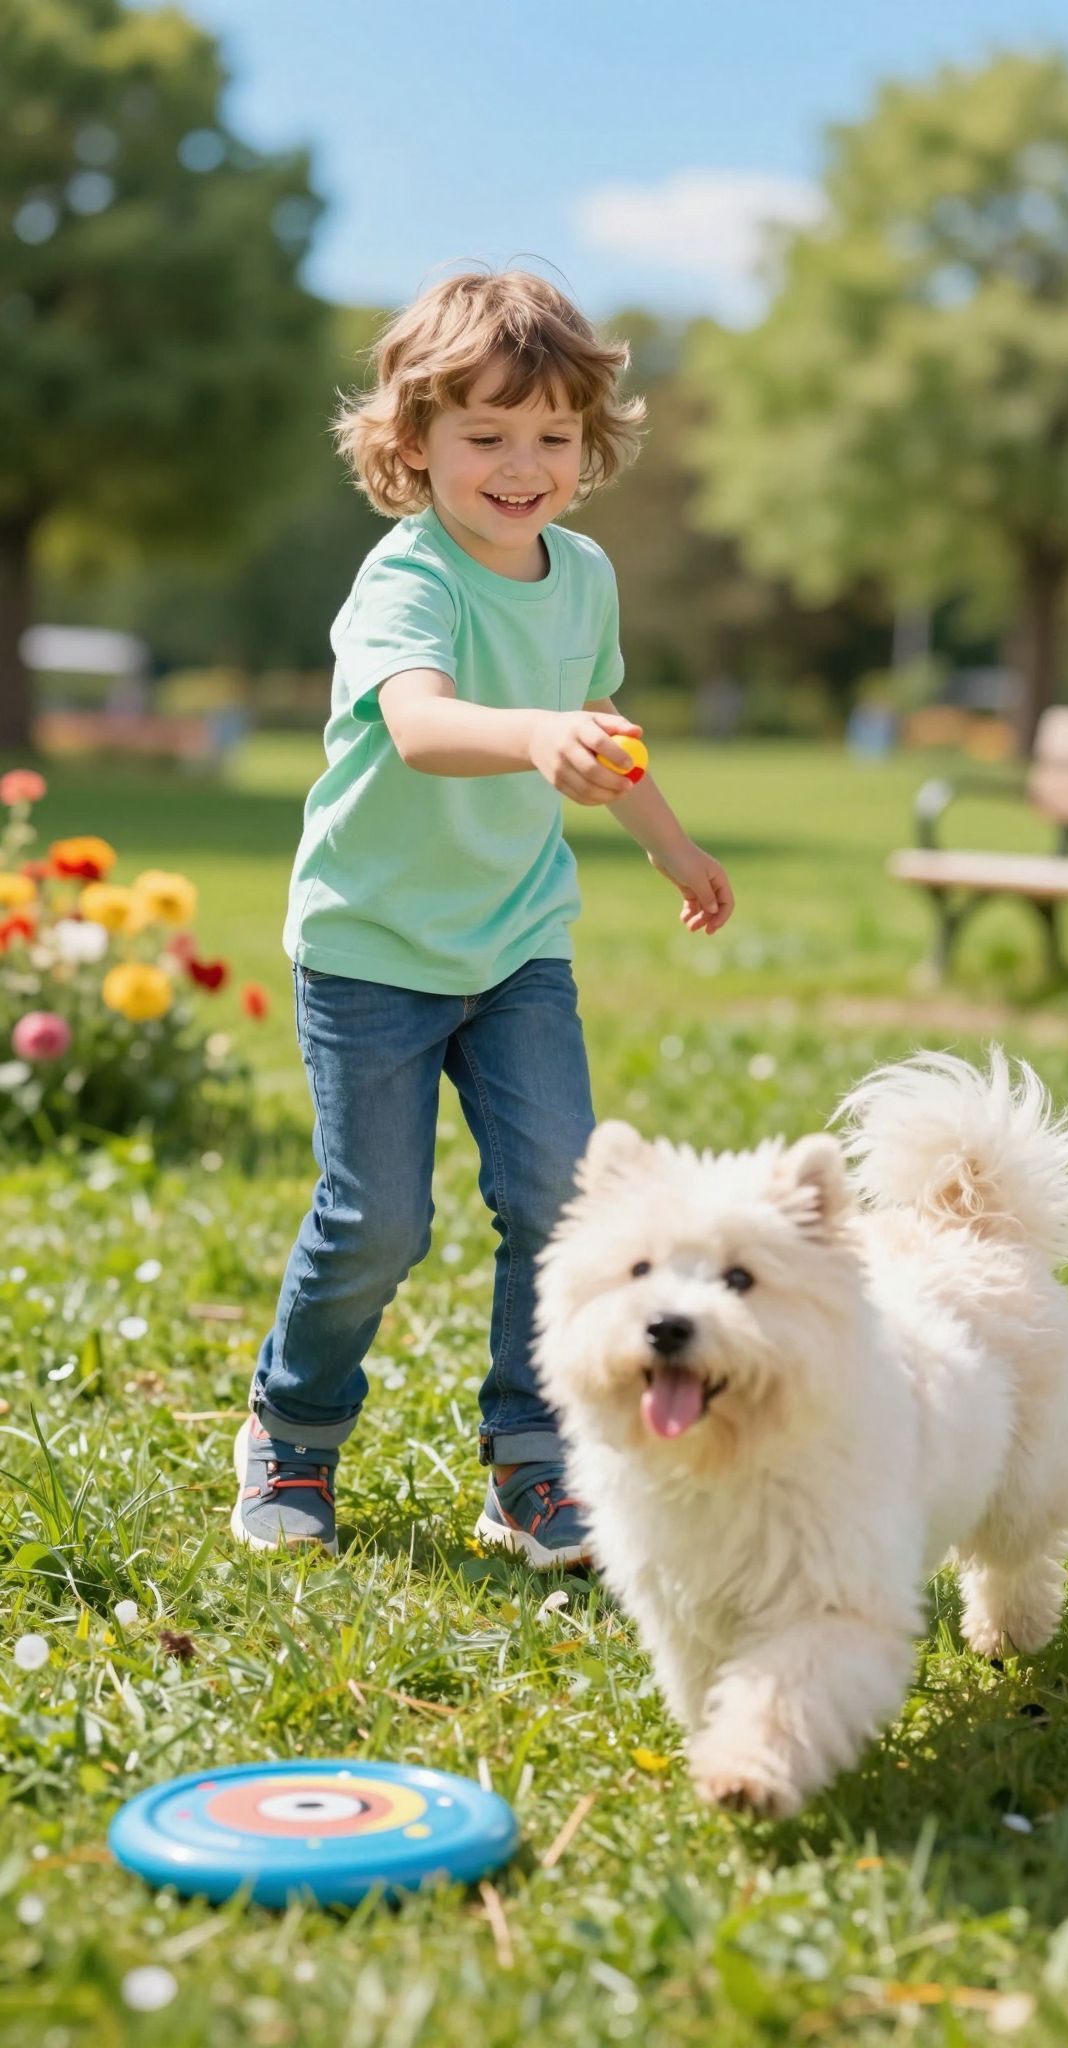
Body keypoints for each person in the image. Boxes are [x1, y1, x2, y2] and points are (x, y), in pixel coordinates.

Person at [233, 270, 736, 1567]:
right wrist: (533, 734)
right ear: (415, 443)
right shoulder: (407, 578)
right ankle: (292, 1429)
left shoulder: (585, 578)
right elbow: (421, 725)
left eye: (554, 437)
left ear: (592, 445)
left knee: (559, 1202)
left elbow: (604, 735)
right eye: (487, 435)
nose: (524, 466)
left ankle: (531, 1458)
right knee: (380, 1217)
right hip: (373, 952)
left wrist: (670, 842)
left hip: (515, 948)